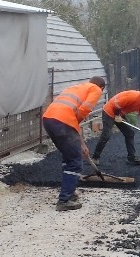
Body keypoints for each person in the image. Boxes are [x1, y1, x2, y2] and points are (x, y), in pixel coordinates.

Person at [42, 76, 107, 210]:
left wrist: (82, 144)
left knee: (69, 156)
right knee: (75, 162)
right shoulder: (96, 89)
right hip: (63, 121)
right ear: (101, 87)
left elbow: (73, 124)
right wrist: (75, 123)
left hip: (49, 119)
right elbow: (84, 109)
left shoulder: (77, 87)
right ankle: (64, 200)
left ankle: (69, 191)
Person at [91, 85, 140, 166]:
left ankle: (131, 158)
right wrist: (116, 115)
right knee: (106, 135)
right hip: (109, 111)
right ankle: (95, 158)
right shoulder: (133, 96)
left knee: (129, 133)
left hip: (119, 113)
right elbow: (116, 104)